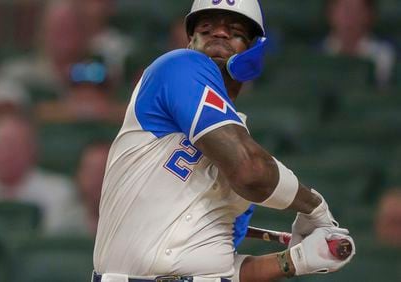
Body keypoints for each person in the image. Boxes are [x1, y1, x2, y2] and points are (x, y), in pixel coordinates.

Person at [93, 1, 355, 281]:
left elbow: (221, 267)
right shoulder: (176, 67)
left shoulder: (240, 138)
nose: (218, 34)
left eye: (234, 31)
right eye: (206, 28)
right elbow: (250, 172)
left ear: (254, 51)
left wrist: (295, 261)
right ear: (190, 41)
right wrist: (314, 206)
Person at [0, 114, 85, 234]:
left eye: (15, 145)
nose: (8, 153)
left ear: (33, 150)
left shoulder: (59, 191)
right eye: (1, 144)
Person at [0, 0, 89, 100]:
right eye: (60, 28)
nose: (66, 35)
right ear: (43, 33)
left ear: (84, 33)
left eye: (72, 27)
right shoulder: (22, 74)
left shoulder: (95, 72)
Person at [322, 0, 396, 87]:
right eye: (345, 10)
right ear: (331, 13)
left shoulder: (385, 54)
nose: (350, 17)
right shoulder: (317, 52)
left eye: (357, 11)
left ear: (369, 15)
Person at [35, 60, 125, 123]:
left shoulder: (124, 118)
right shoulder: (50, 116)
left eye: (93, 92)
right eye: (81, 90)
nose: (86, 96)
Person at [76, 142, 111, 236]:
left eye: (103, 171)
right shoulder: (63, 225)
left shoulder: (134, 225)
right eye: (91, 171)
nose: (97, 180)